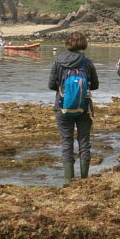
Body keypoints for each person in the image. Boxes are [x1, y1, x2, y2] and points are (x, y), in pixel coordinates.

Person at [48, 31, 99, 181]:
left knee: (66, 142)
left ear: (67, 43)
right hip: (82, 107)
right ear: (83, 44)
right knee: (84, 142)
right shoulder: (87, 62)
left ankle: (69, 180)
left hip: (62, 107)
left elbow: (51, 85)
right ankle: (84, 178)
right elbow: (95, 85)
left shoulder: (58, 61)